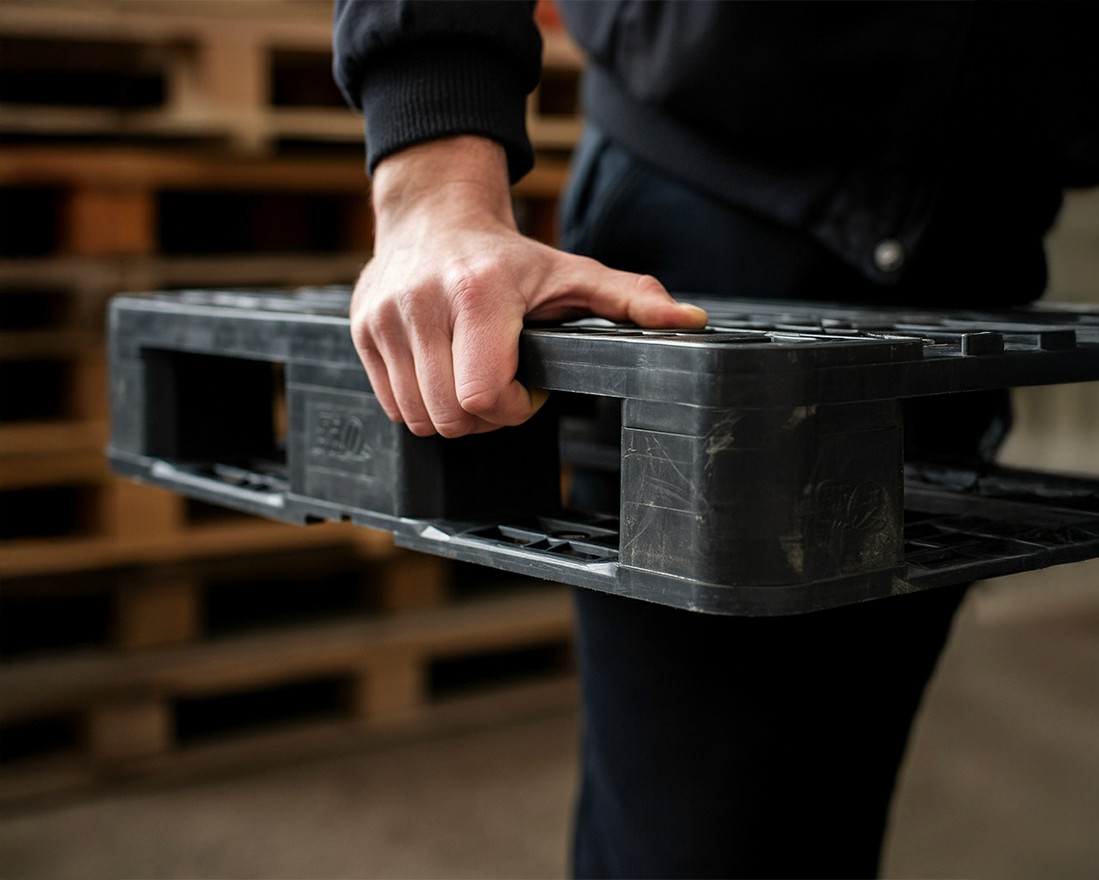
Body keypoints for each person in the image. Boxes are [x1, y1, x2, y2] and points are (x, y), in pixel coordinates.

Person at [332, 2, 1098, 876]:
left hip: (976, 248)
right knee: (700, 843)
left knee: (825, 803)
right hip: (700, 217)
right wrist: (431, 185)